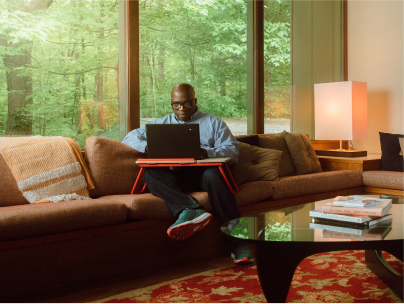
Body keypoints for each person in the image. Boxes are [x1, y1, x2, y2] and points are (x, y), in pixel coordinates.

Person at [123, 83, 253, 264]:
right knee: (150, 173)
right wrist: (147, 146)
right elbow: (129, 137)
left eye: (186, 103)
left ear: (195, 101)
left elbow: (233, 151)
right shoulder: (162, 124)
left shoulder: (214, 123)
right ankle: (189, 208)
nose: (181, 108)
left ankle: (238, 244)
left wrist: (207, 152)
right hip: (174, 178)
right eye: (176, 104)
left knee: (213, 176)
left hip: (203, 176)